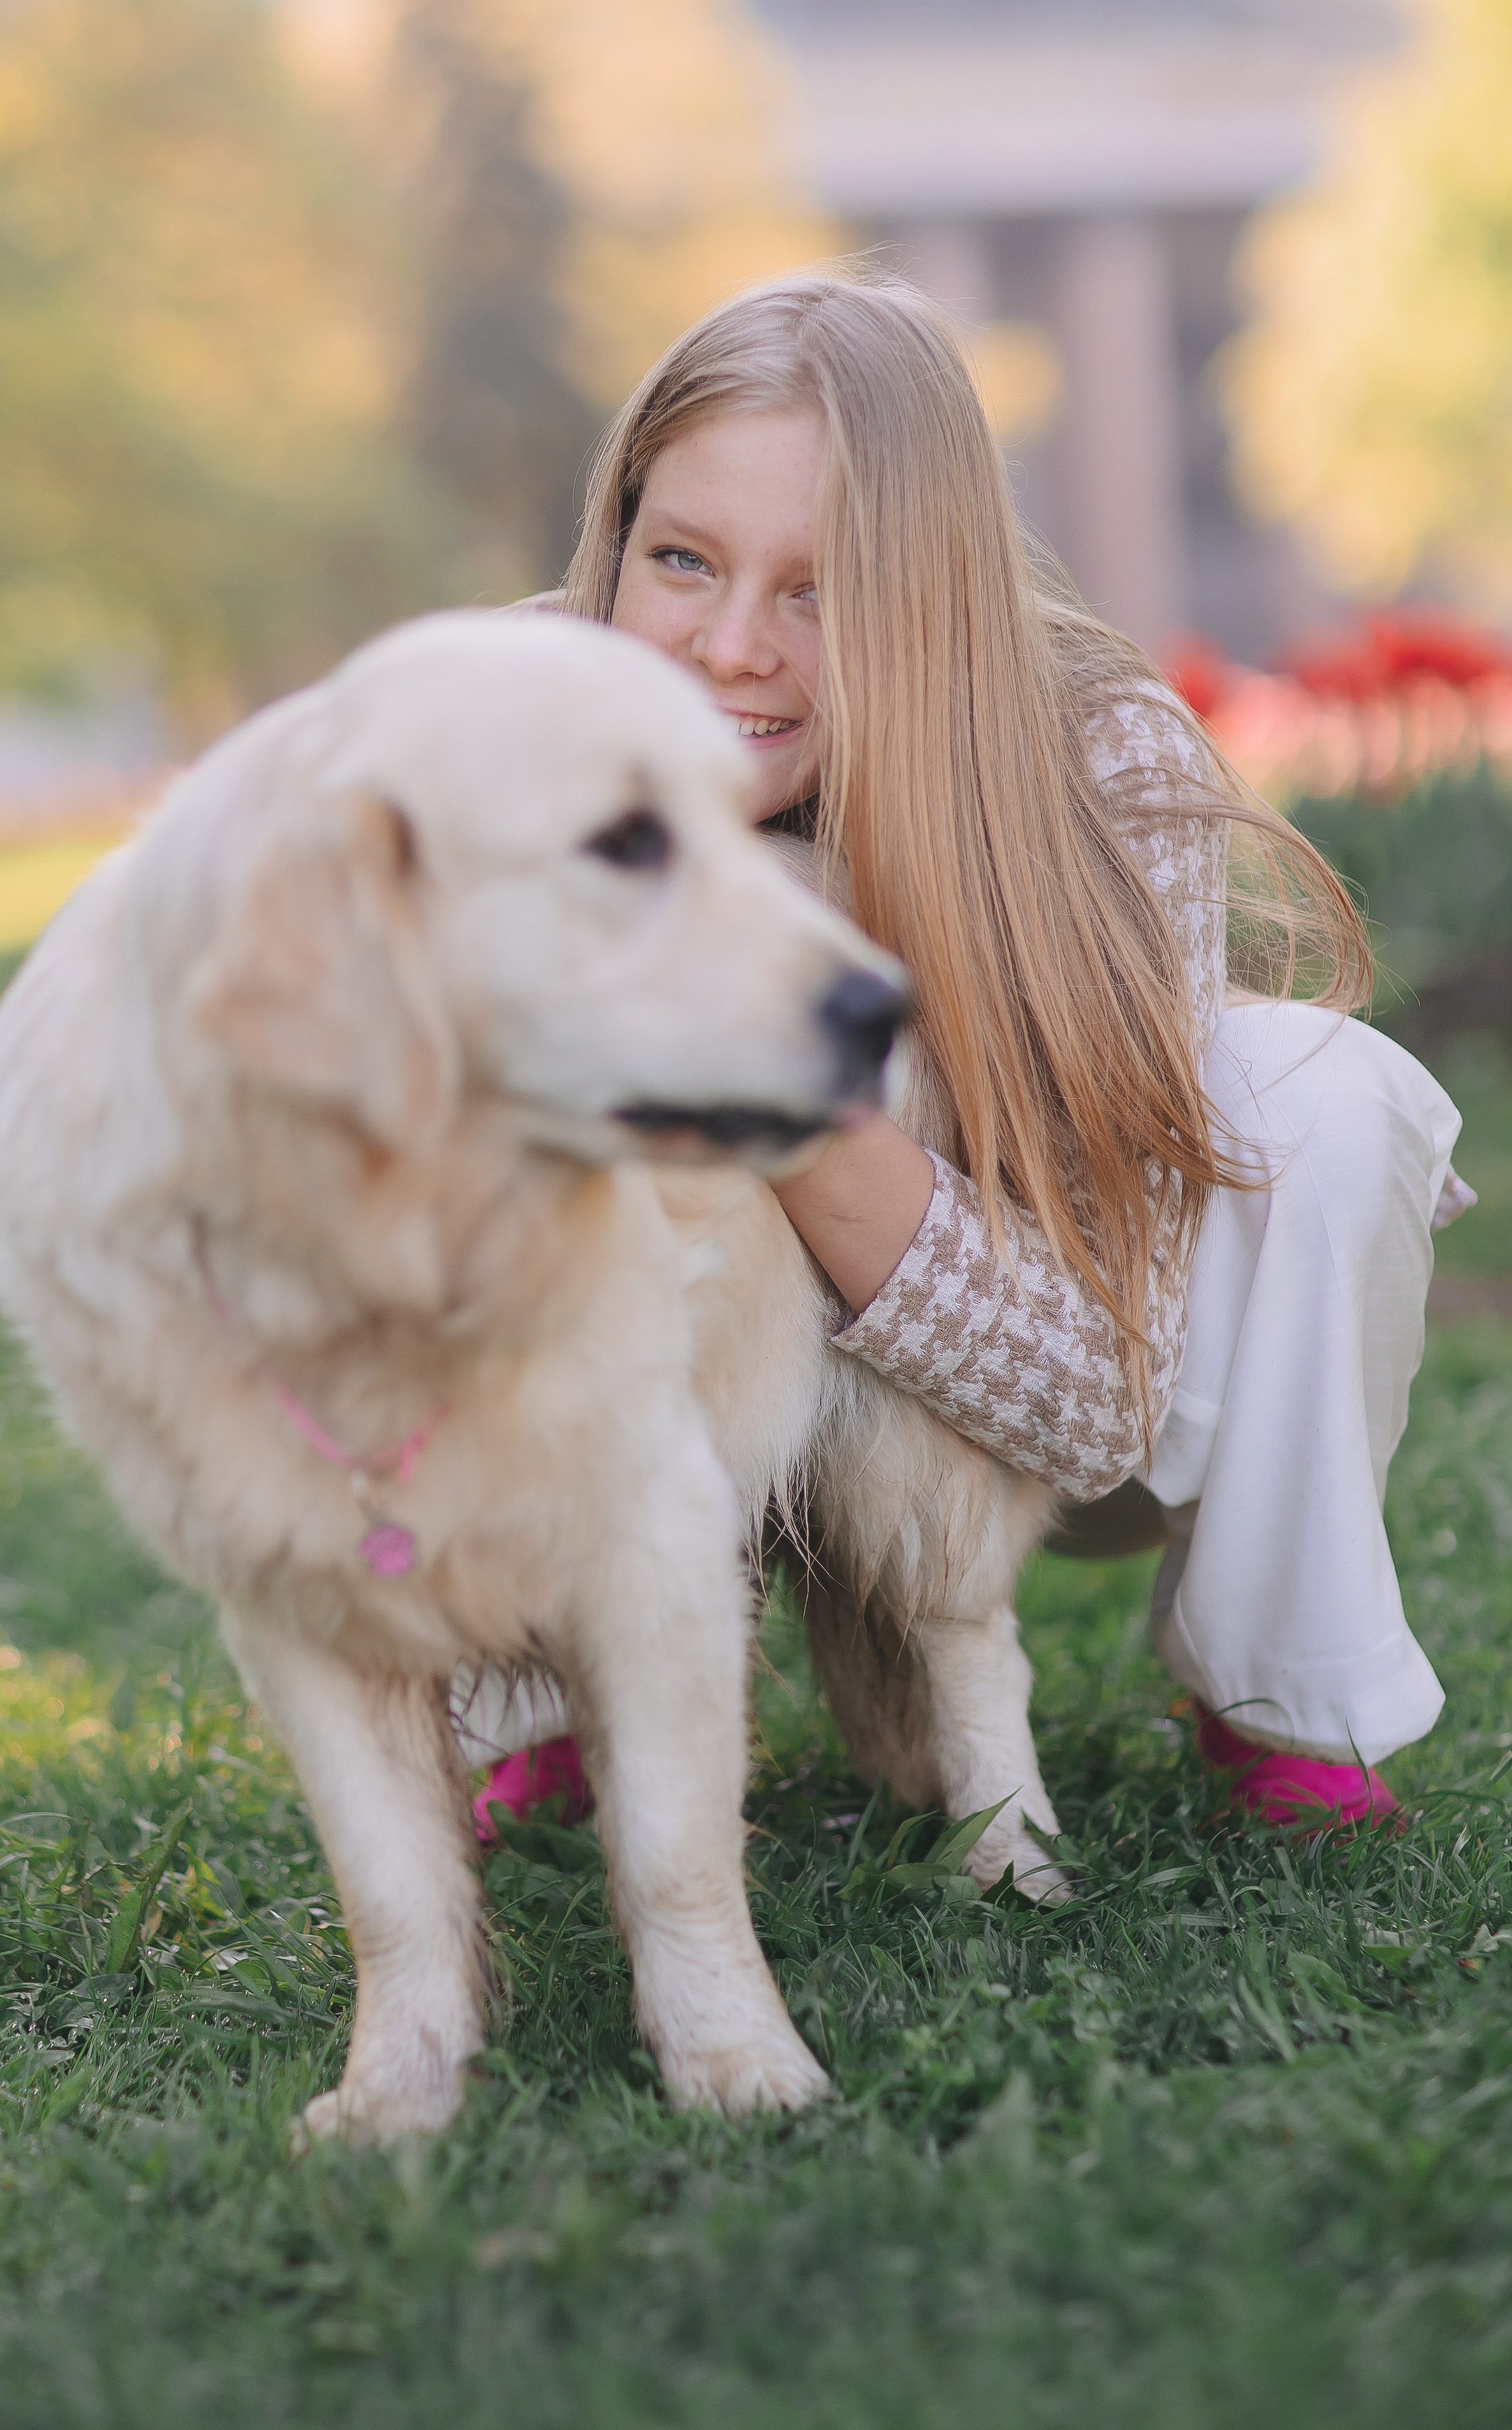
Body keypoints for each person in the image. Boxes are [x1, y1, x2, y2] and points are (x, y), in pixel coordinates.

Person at [459, 270, 1473, 1842]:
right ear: (615, 538)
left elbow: (1089, 1409)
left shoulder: (1094, 748)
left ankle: (1283, 1696)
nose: (728, 647)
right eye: (681, 560)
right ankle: (548, 1677)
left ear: (927, 586)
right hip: (669, 1387)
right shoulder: (501, 715)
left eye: (818, 587)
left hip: (1030, 1421)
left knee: (1320, 1101)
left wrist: (784, 1092)